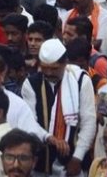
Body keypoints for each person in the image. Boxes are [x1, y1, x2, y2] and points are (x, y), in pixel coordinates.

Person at [20, 39, 96, 176]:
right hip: (41, 160)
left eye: (54, 68)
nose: (48, 73)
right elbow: (29, 122)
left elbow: (88, 122)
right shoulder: (31, 84)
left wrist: (77, 158)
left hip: (74, 159)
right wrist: (50, 138)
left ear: (65, 63)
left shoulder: (81, 81)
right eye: (45, 68)